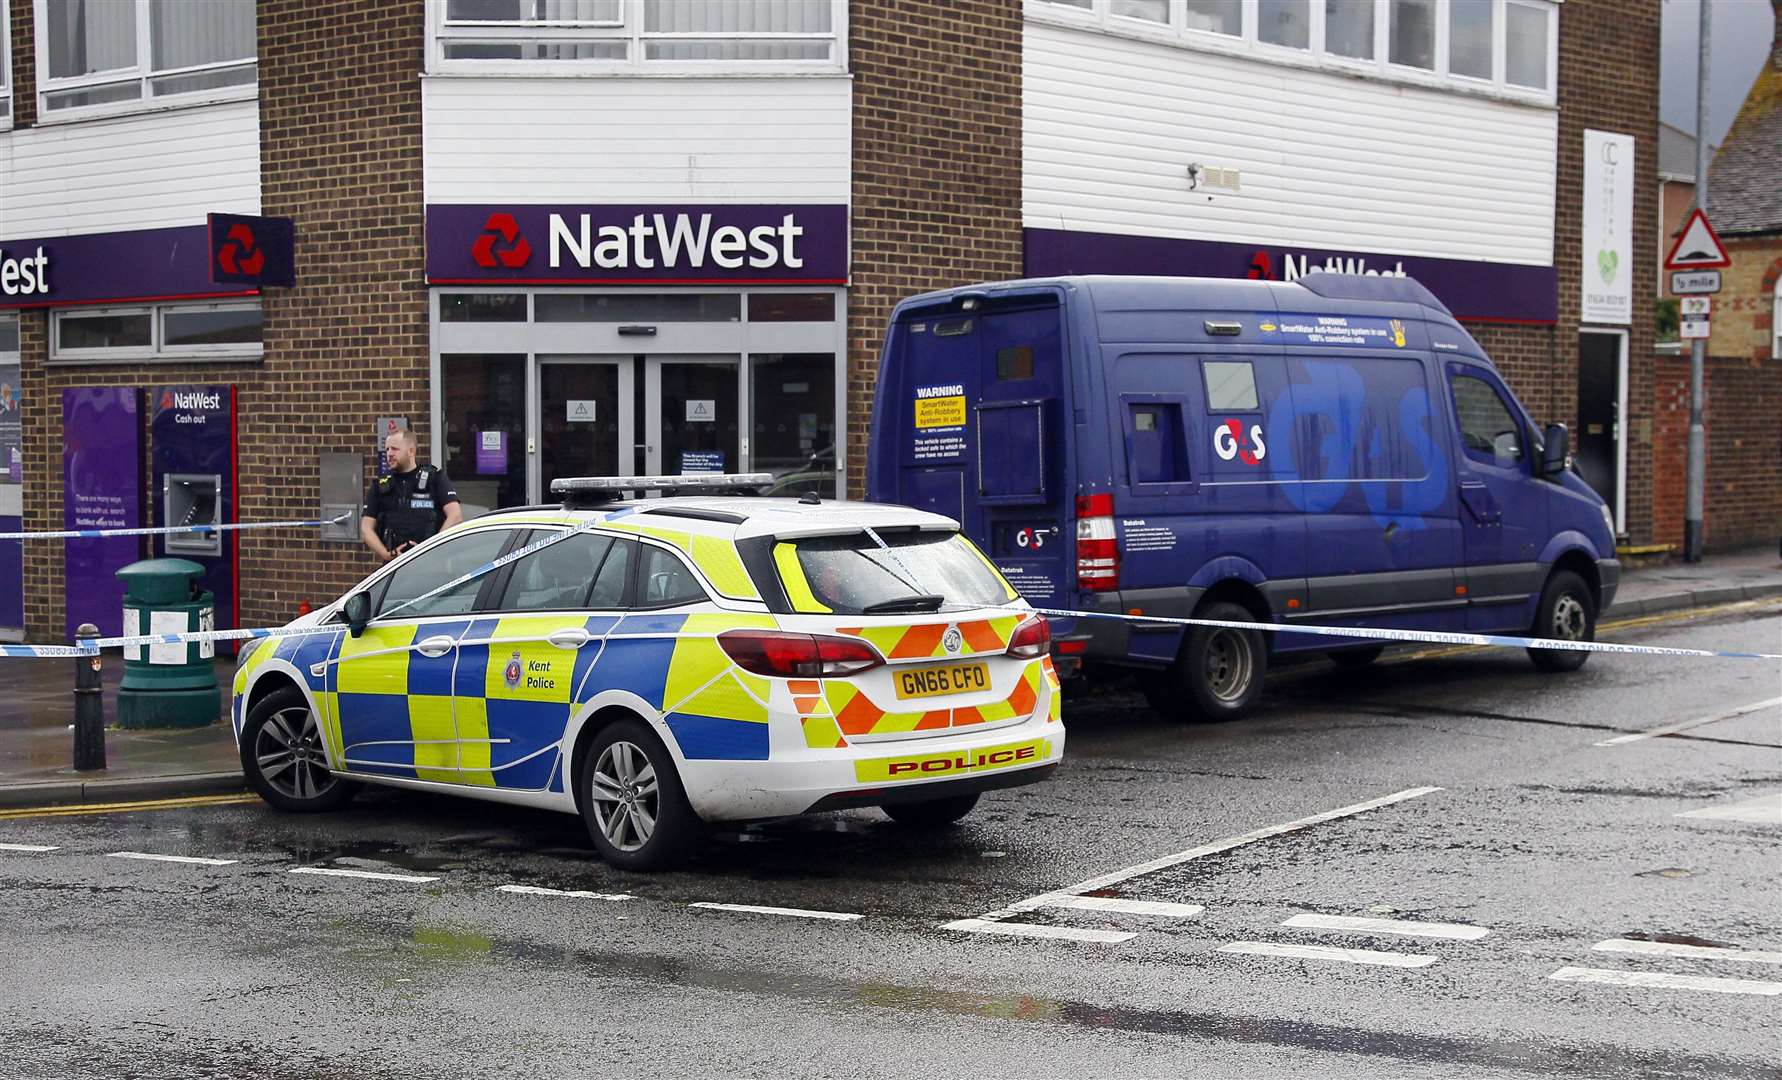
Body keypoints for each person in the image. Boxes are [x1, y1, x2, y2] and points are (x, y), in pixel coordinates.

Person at [360, 428, 462, 562]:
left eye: (395, 449)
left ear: (411, 451)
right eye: (387, 449)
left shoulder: (434, 479)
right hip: (394, 566)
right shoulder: (380, 486)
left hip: (432, 564)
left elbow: (455, 516)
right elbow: (366, 529)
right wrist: (386, 554)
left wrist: (431, 548)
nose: (389, 454)